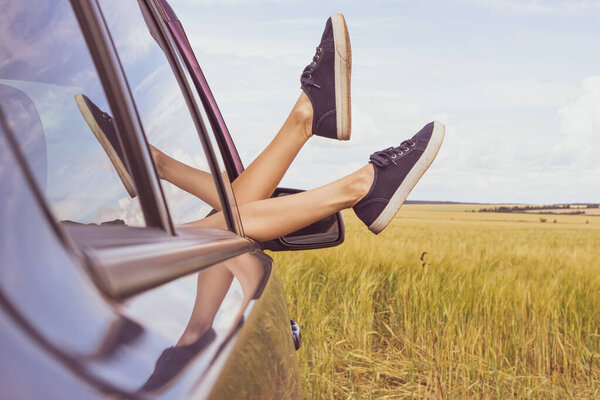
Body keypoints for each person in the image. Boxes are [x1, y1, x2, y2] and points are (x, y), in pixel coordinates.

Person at [76, 14, 445, 240]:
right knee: (231, 222)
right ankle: (359, 186)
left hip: (77, 249)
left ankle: (153, 161)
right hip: (78, 258)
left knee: (231, 211)